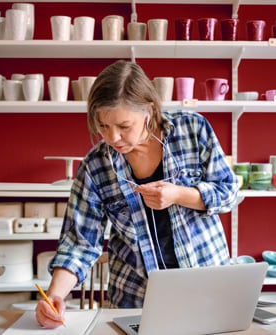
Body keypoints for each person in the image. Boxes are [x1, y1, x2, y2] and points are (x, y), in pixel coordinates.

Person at [35, 60, 238, 328]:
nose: (113, 137)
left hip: (206, 285)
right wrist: (55, 295)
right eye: (103, 126)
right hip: (134, 297)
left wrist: (179, 194)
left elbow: (228, 192)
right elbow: (79, 242)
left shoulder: (192, 130)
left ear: (148, 111)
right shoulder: (96, 166)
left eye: (123, 125)